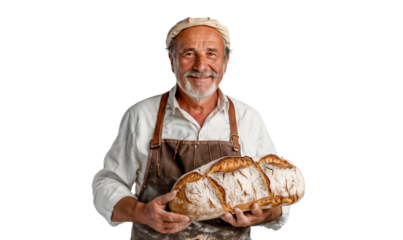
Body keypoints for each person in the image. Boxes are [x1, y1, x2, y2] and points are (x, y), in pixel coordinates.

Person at [90, 16, 293, 239]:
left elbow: (278, 188)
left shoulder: (250, 118)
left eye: (211, 53)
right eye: (188, 53)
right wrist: (141, 212)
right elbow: (106, 182)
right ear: (170, 61)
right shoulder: (140, 116)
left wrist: (264, 215)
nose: (201, 65)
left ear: (226, 62)